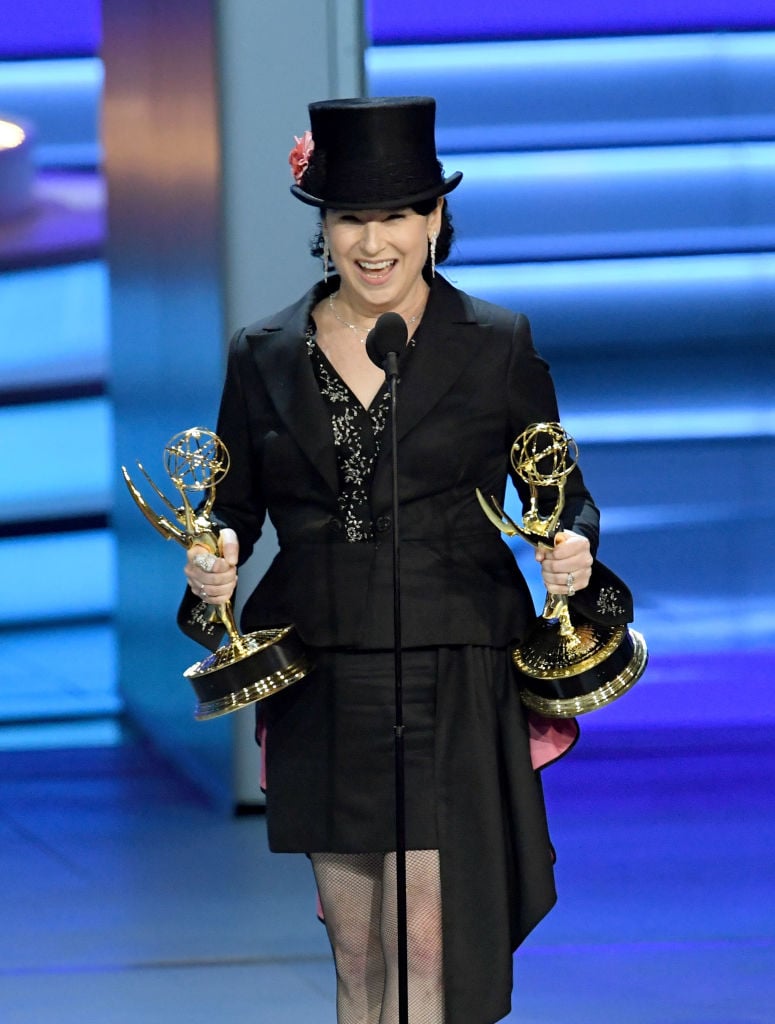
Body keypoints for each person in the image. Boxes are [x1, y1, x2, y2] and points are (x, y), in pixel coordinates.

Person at [180, 96, 598, 1024]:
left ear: (436, 220)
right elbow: (231, 504)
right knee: (359, 948)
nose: (375, 243)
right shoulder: (264, 354)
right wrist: (216, 559)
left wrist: (567, 547)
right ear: (323, 228)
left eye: (398, 216)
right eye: (351, 218)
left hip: (454, 657)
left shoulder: (495, 344)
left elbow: (556, 486)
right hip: (323, 664)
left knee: (428, 942)